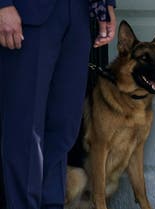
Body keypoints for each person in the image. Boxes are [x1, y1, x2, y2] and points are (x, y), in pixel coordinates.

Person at [0, 0, 116, 208]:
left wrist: (106, 5)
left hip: (79, 13)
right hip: (26, 12)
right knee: (26, 127)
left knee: (64, 125)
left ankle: (52, 204)